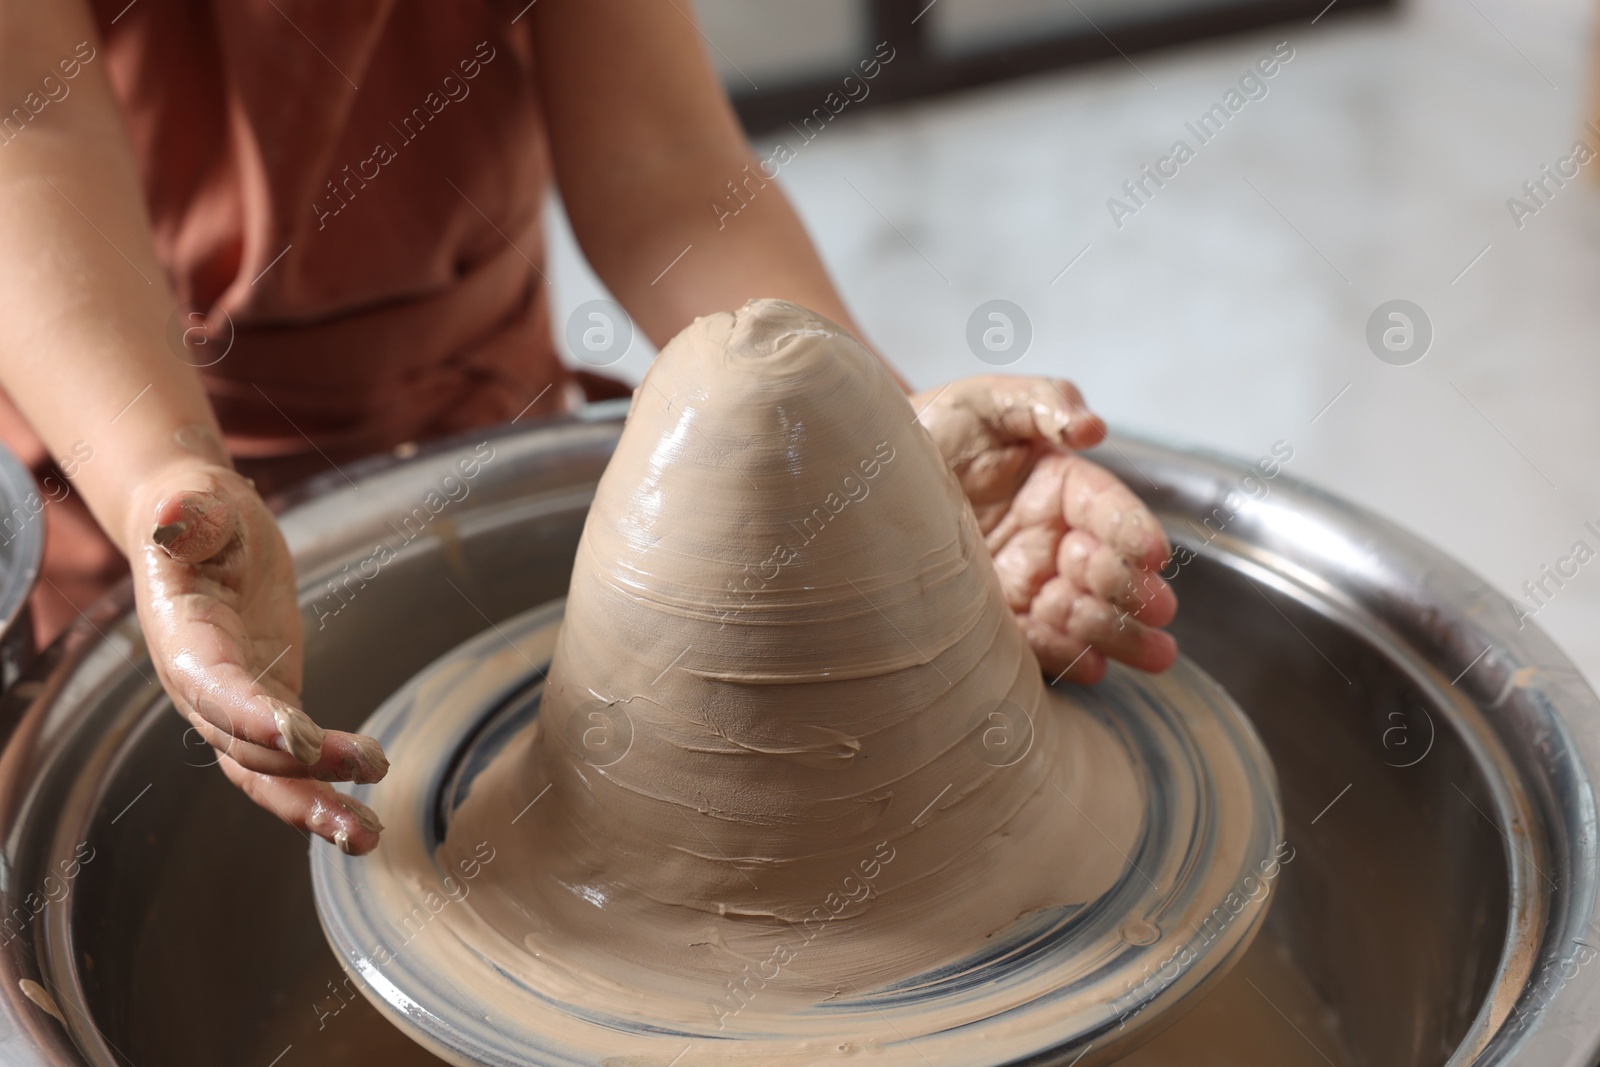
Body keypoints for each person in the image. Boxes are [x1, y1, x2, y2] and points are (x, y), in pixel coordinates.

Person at [0, 0, 1177, 855]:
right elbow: (25, 136)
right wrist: (165, 478)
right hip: (139, 461)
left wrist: (876, 443)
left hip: (465, 412)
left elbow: (664, 169)